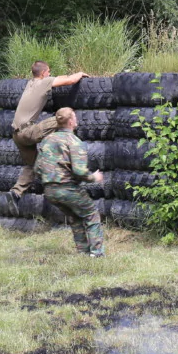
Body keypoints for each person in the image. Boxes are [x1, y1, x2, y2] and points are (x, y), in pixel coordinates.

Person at [10, 61, 88, 197]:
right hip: (28, 132)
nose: (50, 74)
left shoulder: (31, 83)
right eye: (48, 72)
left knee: (32, 165)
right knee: (63, 117)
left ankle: (15, 193)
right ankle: (69, 146)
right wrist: (80, 73)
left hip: (16, 135)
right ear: (43, 73)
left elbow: (60, 78)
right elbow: (70, 80)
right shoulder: (44, 83)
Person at [35, 107, 105, 258]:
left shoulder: (47, 140)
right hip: (67, 189)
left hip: (49, 190)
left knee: (75, 217)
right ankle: (97, 253)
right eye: (75, 117)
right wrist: (94, 177)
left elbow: (37, 168)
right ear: (71, 121)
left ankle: (83, 252)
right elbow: (79, 171)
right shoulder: (74, 141)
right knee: (91, 214)